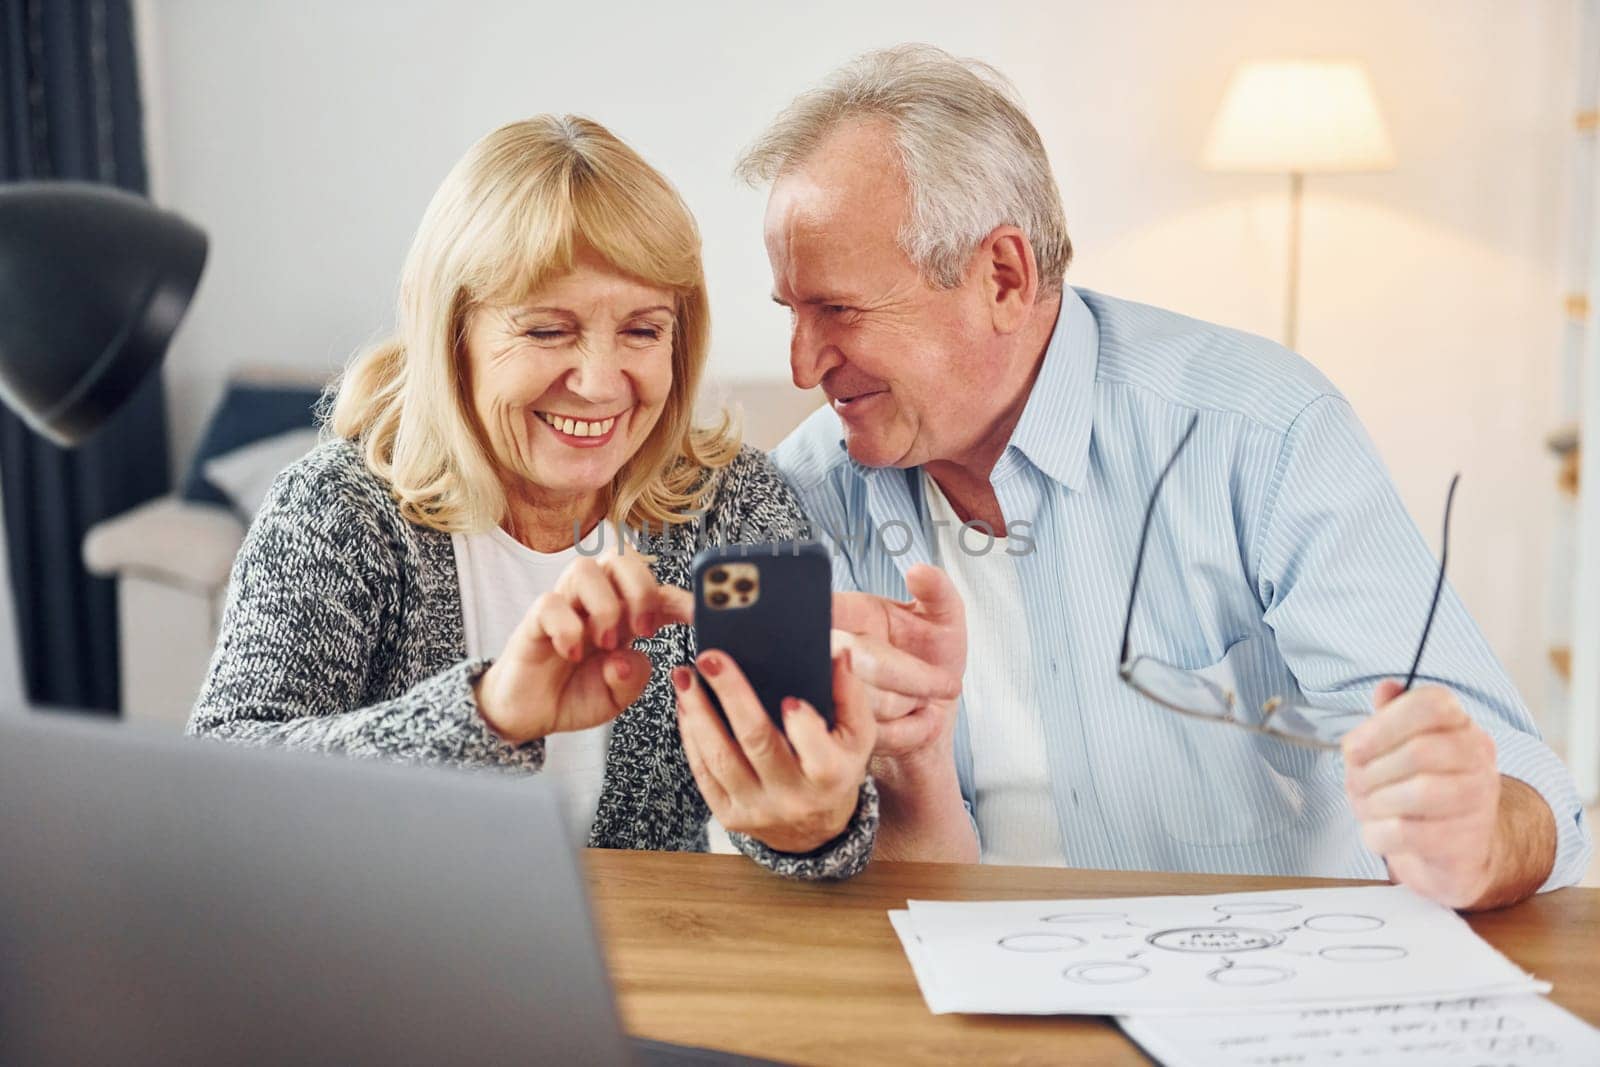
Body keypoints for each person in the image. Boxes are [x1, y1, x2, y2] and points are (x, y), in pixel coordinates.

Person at [741, 45, 1592, 907]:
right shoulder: (805, 490)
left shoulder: (1260, 432)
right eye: (791, 311)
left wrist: (1475, 833)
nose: (805, 366)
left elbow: (1516, 779)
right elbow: (819, 862)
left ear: (1002, 275)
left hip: (1253, 989)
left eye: (838, 310)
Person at [190, 116, 877, 880]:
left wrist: (813, 824)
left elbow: (799, 816)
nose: (600, 380)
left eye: (643, 331)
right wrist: (489, 711)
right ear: (452, 334)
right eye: (549, 330)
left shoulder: (729, 505)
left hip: (651, 968)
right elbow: (219, 791)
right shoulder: (338, 512)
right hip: (396, 958)